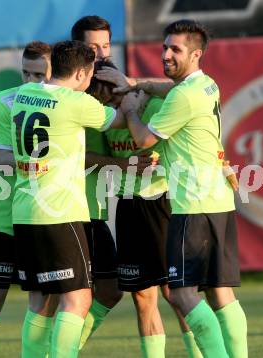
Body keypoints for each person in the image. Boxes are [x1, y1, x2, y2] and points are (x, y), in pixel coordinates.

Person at [120, 20, 248, 358]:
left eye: (175, 49)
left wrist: (132, 109)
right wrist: (142, 83)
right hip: (219, 201)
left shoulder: (184, 97)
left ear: (196, 54)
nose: (165, 54)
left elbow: (143, 139)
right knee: (221, 294)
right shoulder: (207, 85)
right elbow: (169, 89)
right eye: (164, 47)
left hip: (192, 206)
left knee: (181, 293)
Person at [10, 40, 124, 358]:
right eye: (88, 76)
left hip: (25, 210)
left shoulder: (24, 94)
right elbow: (119, 121)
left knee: (39, 302)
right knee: (78, 300)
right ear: (80, 73)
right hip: (60, 212)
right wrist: (126, 95)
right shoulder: (75, 103)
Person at [87, 59, 206, 358]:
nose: (110, 105)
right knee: (141, 296)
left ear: (124, 85)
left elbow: (187, 88)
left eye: (114, 96)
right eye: (103, 100)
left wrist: (137, 84)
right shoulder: (105, 117)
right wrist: (123, 164)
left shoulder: (154, 105)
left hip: (162, 201)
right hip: (128, 206)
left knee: (177, 293)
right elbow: (87, 157)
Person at [0, 41, 57, 358]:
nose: (31, 81)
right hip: (2, 217)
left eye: (40, 74)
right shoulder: (1, 103)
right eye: (26, 73)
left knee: (43, 301)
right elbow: (4, 160)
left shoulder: (60, 104)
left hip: (37, 217)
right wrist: (54, 162)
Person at [71, 16, 153, 350]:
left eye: (106, 45)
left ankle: (61, 350)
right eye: (93, 48)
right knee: (62, 298)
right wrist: (125, 162)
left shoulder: (112, 91)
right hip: (73, 209)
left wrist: (131, 90)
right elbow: (85, 157)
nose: (102, 54)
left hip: (100, 208)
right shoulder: (75, 100)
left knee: (116, 290)